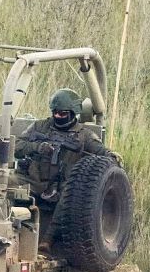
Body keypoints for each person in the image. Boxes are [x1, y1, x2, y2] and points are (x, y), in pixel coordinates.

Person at [15, 88, 119, 249]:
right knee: (6, 182)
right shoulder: (39, 127)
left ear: (73, 113)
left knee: (69, 197)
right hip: (34, 179)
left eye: (62, 114)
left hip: (63, 184)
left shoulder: (84, 136)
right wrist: (37, 147)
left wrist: (112, 157)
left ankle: (47, 239)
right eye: (55, 112)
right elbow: (17, 146)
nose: (57, 116)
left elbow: (103, 153)